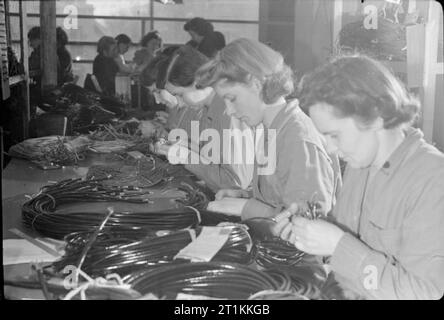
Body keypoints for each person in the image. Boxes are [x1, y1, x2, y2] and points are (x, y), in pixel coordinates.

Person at [273, 55, 444, 300]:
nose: (331, 149)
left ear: (375, 117)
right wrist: (310, 227)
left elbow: (426, 293)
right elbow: (347, 242)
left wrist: (338, 245)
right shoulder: (360, 163)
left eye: (335, 135)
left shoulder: (433, 180)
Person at [196, 38, 341, 221]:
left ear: (256, 84)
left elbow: (309, 221)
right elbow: (280, 195)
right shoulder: (270, 130)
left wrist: (249, 208)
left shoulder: (297, 139)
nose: (230, 111)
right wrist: (245, 196)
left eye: (232, 98)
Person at [151, 45, 254, 192]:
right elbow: (211, 159)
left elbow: (235, 183)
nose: (178, 103)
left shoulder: (229, 112)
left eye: (179, 95)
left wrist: (186, 157)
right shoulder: (208, 107)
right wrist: (182, 146)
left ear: (197, 82)